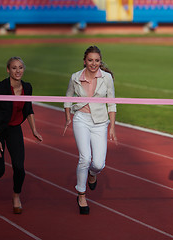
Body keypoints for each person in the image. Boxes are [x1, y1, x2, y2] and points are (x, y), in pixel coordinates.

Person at [0, 56, 43, 214]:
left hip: (14, 129)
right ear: (8, 70)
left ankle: (16, 196)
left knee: (19, 167)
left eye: (20, 67)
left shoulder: (27, 87)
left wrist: (34, 130)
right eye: (14, 68)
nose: (18, 71)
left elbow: (28, 110)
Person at [64, 46, 117, 215]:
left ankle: (93, 174)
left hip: (101, 122)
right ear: (84, 61)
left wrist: (113, 127)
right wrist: (67, 117)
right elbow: (67, 98)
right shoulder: (75, 77)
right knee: (85, 158)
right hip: (81, 119)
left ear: (100, 61)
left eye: (97, 60)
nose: (93, 63)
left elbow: (112, 102)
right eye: (90, 60)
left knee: (98, 164)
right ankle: (81, 194)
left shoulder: (107, 78)